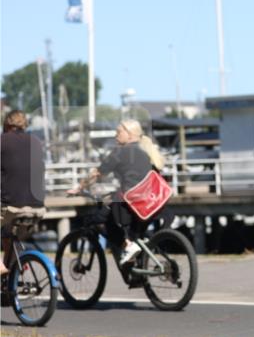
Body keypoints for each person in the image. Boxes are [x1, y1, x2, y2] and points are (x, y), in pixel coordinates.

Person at [68, 119, 166, 264]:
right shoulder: (146, 151)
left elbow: (96, 173)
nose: (115, 135)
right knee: (129, 226)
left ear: (130, 135)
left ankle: (128, 245)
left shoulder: (120, 152)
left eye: (119, 132)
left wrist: (79, 187)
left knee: (100, 220)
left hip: (131, 203)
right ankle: (136, 269)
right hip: (151, 202)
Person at [1, 110, 46, 276]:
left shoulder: (2, 141)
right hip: (37, 207)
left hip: (12, 206)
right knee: (9, 234)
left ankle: (2, 267)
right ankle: (10, 277)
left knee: (7, 219)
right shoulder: (36, 141)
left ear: (7, 124)